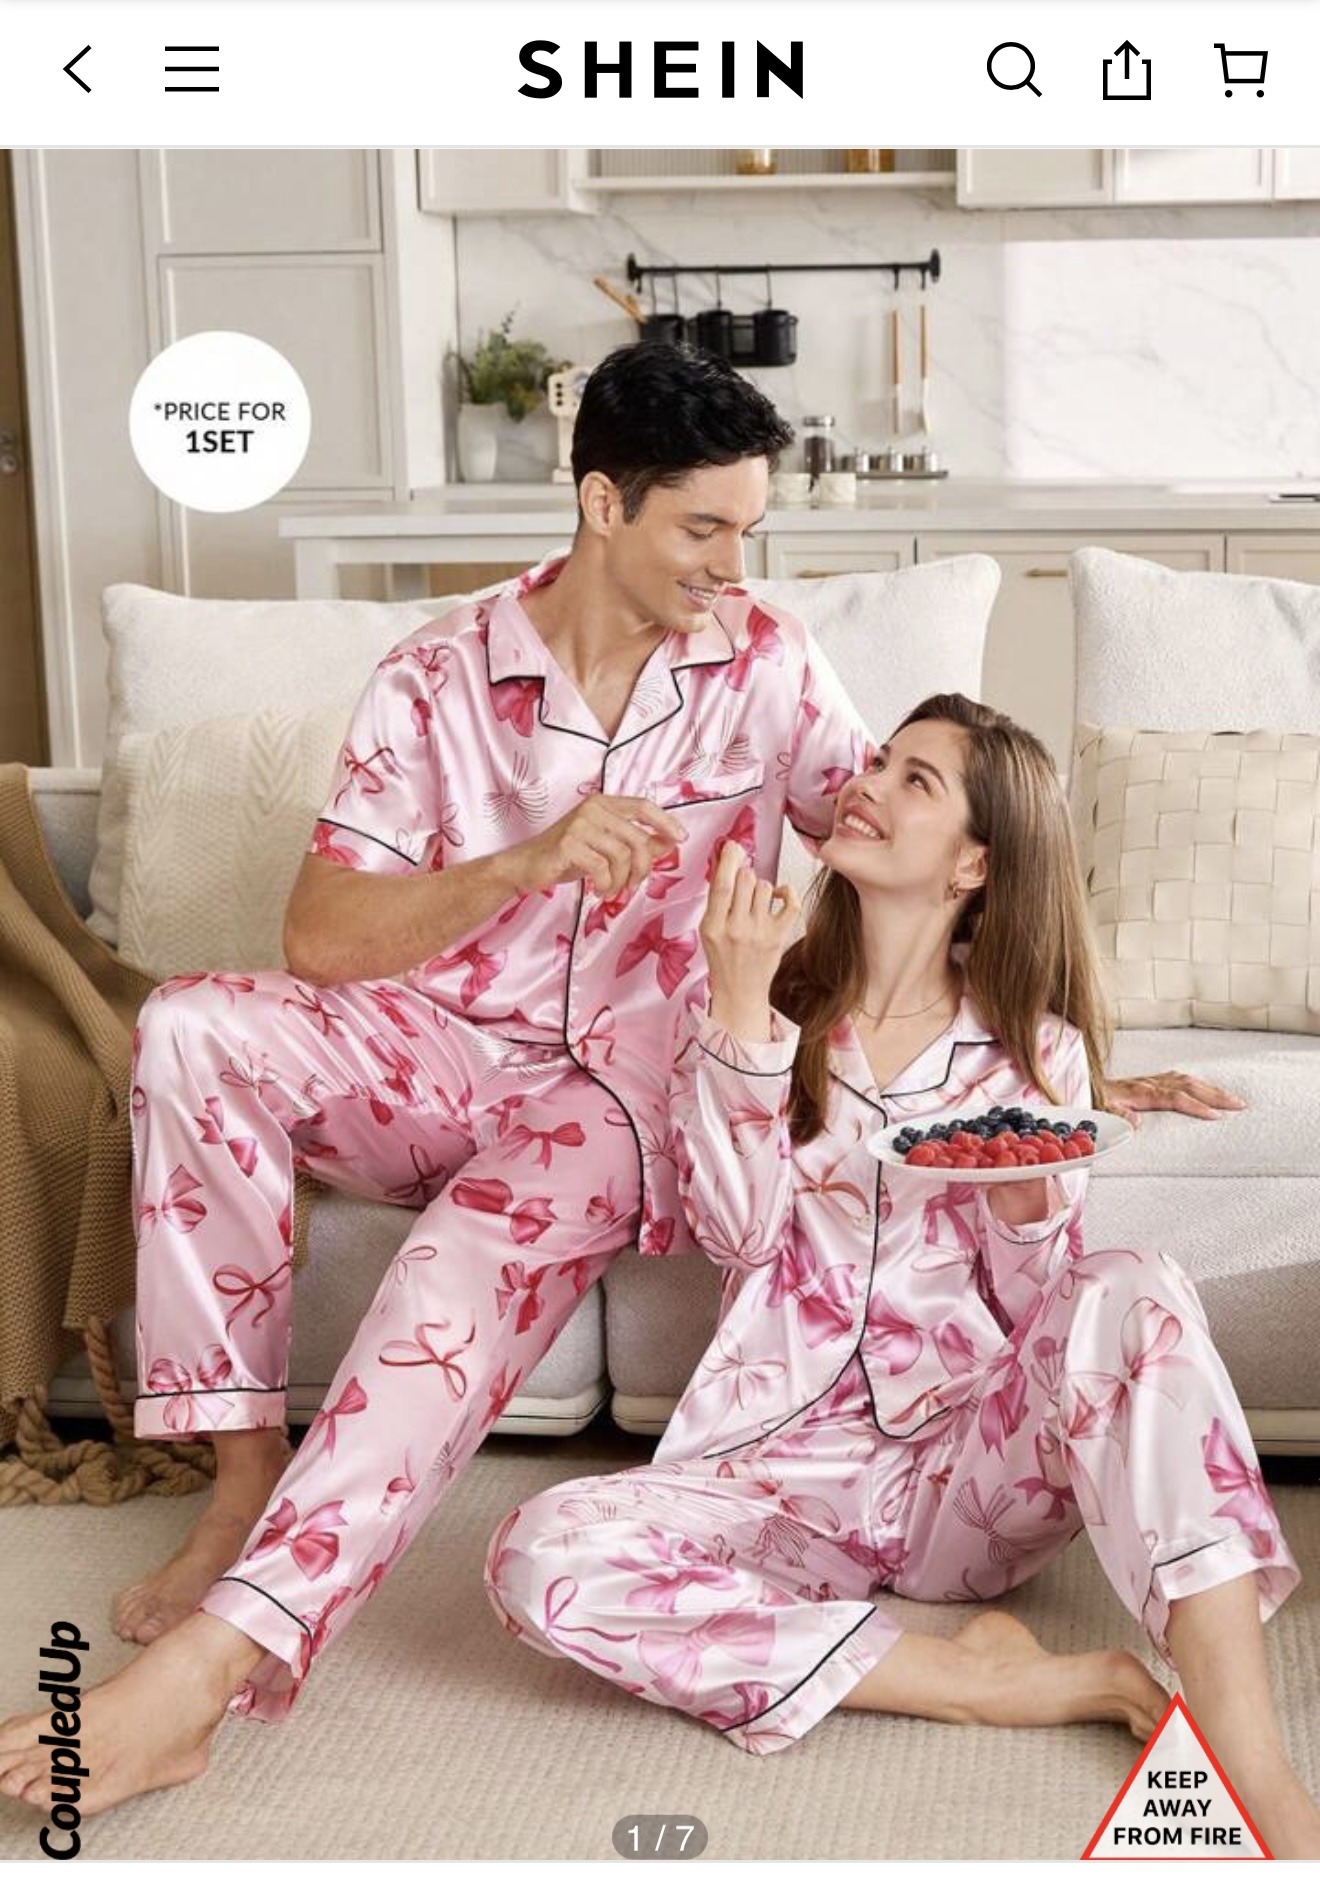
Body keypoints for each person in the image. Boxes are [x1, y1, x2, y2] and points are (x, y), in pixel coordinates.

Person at [0, 350, 1241, 1820]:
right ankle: (239, 1472)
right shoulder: (436, 677)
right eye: (704, 529)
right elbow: (320, 938)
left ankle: (223, 1663)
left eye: (749, 531)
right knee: (194, 1025)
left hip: (620, 1097)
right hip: (434, 1046)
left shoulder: (766, 666)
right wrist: (525, 861)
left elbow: (940, 845)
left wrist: (1058, 1066)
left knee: (449, 1278)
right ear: (603, 503)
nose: (735, 568)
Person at [487, 695, 1320, 1859]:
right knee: (538, 1552)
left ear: (974, 863)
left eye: (914, 779)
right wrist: (741, 1007)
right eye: (878, 760)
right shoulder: (759, 1008)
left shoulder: (1034, 1049)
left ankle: (1250, 1762)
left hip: (963, 1483)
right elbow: (737, 1236)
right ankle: (977, 1678)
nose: (867, 783)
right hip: (775, 1479)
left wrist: (1026, 1213)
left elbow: (1047, 1330)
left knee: (1133, 1285)